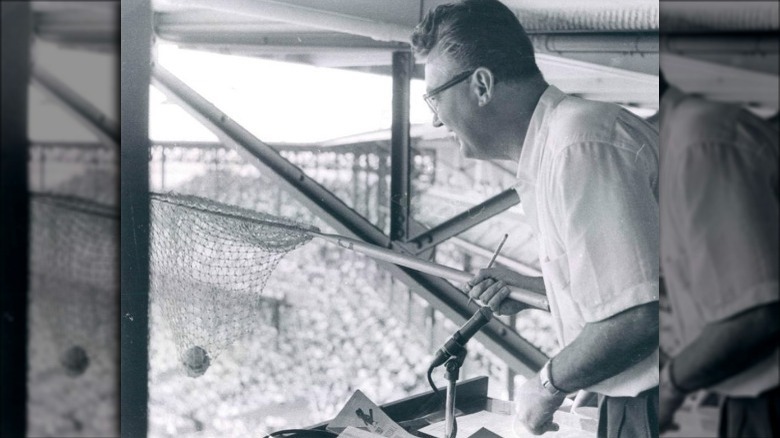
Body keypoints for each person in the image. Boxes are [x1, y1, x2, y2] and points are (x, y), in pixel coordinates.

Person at [411, 1, 660, 436]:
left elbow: (639, 317)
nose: (434, 120)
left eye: (434, 97)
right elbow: (634, 288)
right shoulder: (564, 142)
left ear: (482, 85)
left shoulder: (577, 146)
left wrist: (547, 385)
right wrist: (541, 290)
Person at [658, 72, 779, 437]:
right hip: (744, 396)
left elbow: (755, 314)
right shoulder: (686, 136)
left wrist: (668, 389)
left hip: (766, 400)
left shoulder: (699, 140)